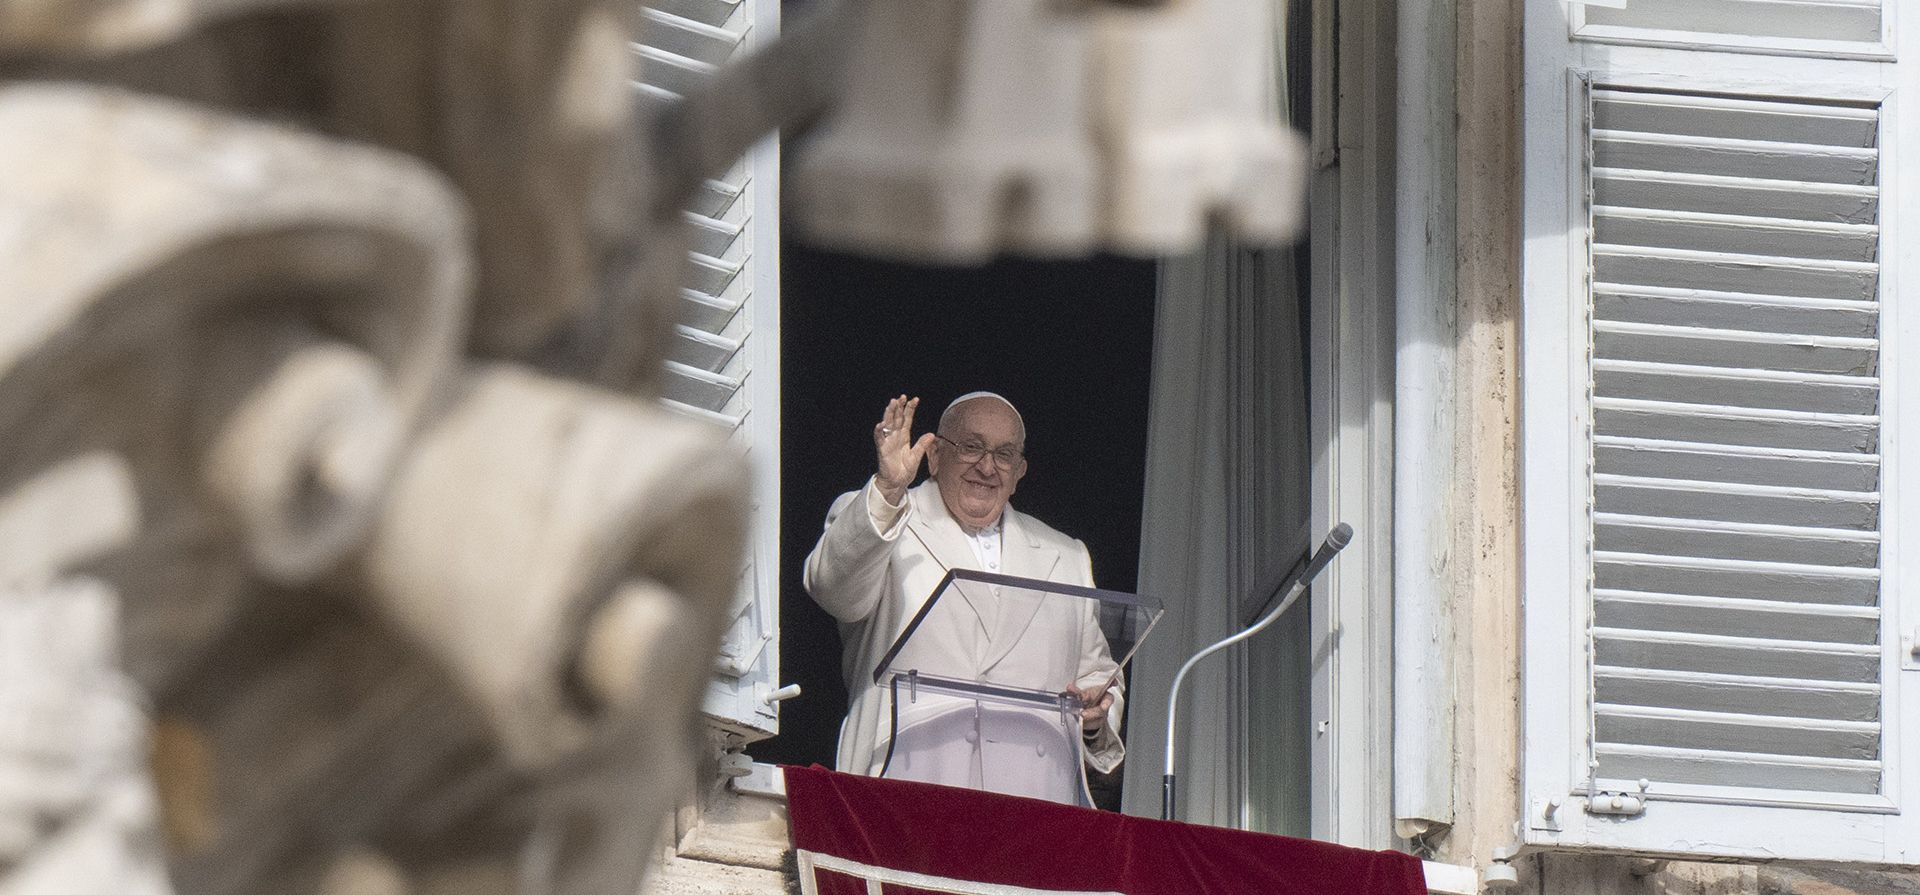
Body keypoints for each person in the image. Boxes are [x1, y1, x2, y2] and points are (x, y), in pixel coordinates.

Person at [803, 392, 1124, 805]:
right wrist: (887, 489)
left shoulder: (1066, 554)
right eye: (971, 447)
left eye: (1004, 454)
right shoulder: (885, 515)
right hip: (910, 782)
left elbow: (1097, 674)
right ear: (934, 455)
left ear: (1020, 471)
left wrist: (1096, 716)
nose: (987, 467)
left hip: (1035, 796)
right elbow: (833, 591)